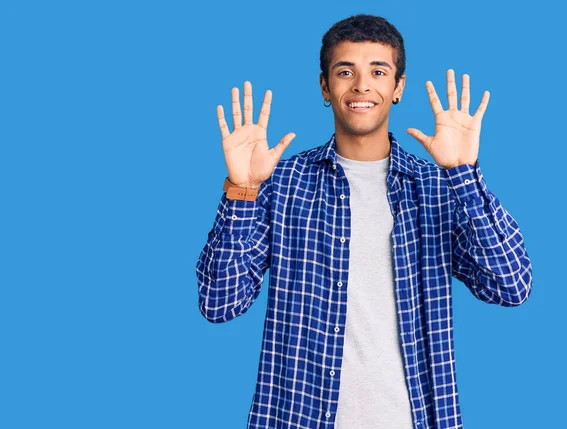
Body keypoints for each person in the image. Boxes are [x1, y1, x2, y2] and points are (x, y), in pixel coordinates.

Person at [196, 13, 533, 429]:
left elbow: (511, 286)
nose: (361, 85)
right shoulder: (279, 184)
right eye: (345, 71)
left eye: (378, 70)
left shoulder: (435, 187)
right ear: (325, 86)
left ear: (398, 87)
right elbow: (218, 303)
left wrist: (463, 172)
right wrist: (243, 189)